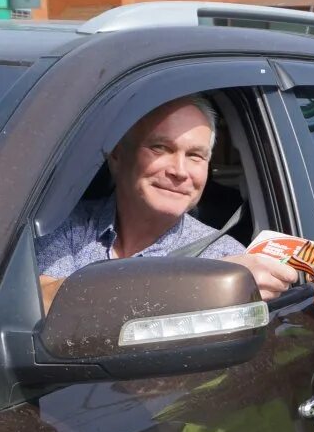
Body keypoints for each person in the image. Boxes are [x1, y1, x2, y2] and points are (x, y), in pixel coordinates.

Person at [36, 95, 297, 304]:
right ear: (117, 155)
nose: (180, 171)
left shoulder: (224, 258)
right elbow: (42, 302)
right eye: (160, 148)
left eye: (195, 155)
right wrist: (197, 284)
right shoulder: (65, 224)